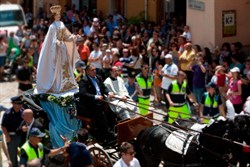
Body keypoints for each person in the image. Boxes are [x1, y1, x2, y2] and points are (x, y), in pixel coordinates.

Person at [34, 5, 80, 94]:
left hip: (63, 48)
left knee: (66, 66)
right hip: (57, 49)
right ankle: (58, 84)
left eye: (59, 14)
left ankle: (67, 83)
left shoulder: (62, 24)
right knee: (57, 67)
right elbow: (52, 39)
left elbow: (66, 35)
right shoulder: (52, 26)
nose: (59, 16)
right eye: (57, 14)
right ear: (53, 16)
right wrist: (57, 43)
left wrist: (72, 37)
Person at [78, 65, 116, 142]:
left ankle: (114, 130)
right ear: (87, 72)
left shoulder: (98, 78)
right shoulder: (84, 81)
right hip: (91, 104)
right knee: (101, 114)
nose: (94, 71)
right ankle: (108, 134)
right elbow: (83, 94)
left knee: (112, 112)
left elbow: (103, 88)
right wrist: (95, 97)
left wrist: (109, 92)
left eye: (95, 69)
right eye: (92, 70)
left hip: (102, 101)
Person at [1, 96, 24, 167]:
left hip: (22, 136)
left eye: (21, 103)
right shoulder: (8, 113)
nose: (20, 105)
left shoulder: (23, 112)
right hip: (12, 137)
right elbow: (3, 126)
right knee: (13, 158)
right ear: (13, 104)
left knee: (24, 155)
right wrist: (7, 137)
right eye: (18, 104)